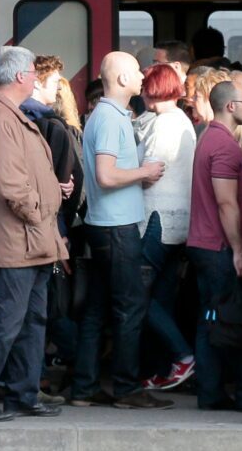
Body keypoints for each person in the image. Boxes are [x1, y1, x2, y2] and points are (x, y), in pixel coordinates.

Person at [0, 46, 67, 422]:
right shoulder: (2, 118)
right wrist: (38, 214)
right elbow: (10, 183)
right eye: (34, 72)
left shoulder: (6, 114)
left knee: (31, 320)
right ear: (20, 76)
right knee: (6, 321)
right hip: (18, 239)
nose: (36, 77)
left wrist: (51, 193)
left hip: (29, 240)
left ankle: (23, 392)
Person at [71, 51, 170, 411]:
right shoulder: (112, 119)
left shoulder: (102, 115)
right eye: (136, 73)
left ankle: (84, 387)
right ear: (122, 80)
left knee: (97, 310)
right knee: (130, 307)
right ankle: (127, 389)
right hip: (117, 229)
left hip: (101, 224)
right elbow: (106, 175)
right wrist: (144, 172)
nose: (143, 78)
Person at [187, 79, 242, 411]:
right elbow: (227, 203)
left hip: (201, 241)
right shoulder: (226, 147)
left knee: (208, 318)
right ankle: (222, 393)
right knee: (224, 320)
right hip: (217, 246)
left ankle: (209, 391)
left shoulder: (206, 138)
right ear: (231, 106)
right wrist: (239, 250)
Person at [138, 62, 196, 391]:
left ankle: (182, 355)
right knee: (162, 295)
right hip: (179, 222)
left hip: (157, 218)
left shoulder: (163, 125)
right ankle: (164, 368)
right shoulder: (182, 122)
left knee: (137, 294)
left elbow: (149, 172)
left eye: (146, 84)